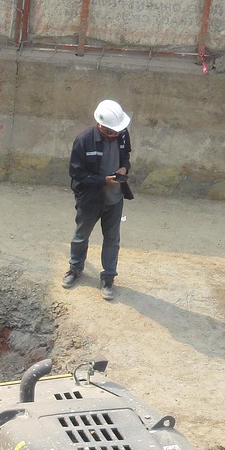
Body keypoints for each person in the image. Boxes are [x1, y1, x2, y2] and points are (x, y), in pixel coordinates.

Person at [63, 99, 134, 301]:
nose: (117, 134)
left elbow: (126, 156)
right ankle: (75, 269)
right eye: (112, 132)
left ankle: (108, 277)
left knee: (112, 240)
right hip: (90, 200)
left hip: (115, 199)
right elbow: (76, 173)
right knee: (81, 235)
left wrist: (124, 168)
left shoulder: (121, 134)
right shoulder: (83, 140)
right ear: (102, 126)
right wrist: (102, 180)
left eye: (118, 131)